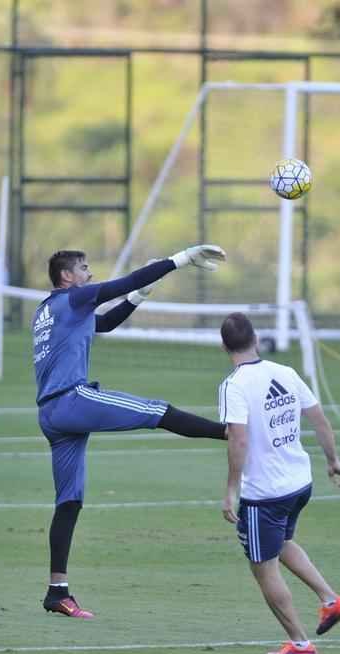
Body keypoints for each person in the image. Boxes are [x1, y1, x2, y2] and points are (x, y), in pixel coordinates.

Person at [33, 245, 227, 618]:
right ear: (67, 277)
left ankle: (57, 591)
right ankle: (230, 434)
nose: (90, 273)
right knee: (155, 411)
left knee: (69, 501)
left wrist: (140, 295)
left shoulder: (47, 310)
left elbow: (104, 323)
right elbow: (124, 282)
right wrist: (180, 260)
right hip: (72, 401)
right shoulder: (76, 297)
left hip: (50, 414)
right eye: (84, 267)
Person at [218, 312, 340, 654]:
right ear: (257, 340)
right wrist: (333, 460)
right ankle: (330, 600)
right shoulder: (286, 373)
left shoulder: (235, 385)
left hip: (265, 493)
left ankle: (300, 643)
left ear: (223, 346)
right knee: (281, 542)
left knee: (263, 567)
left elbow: (239, 441)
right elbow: (320, 421)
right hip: (299, 483)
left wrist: (232, 489)